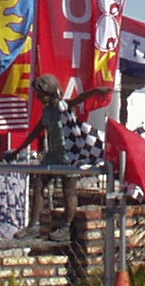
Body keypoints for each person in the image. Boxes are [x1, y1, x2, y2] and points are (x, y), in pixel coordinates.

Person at [22, 74, 108, 240]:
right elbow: (37, 131)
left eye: (40, 93)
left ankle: (66, 228)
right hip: (53, 155)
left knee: (68, 190)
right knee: (39, 184)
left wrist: (95, 91)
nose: (38, 97)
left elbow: (78, 99)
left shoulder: (63, 106)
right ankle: (33, 225)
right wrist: (18, 149)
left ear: (49, 92)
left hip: (69, 154)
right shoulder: (47, 110)